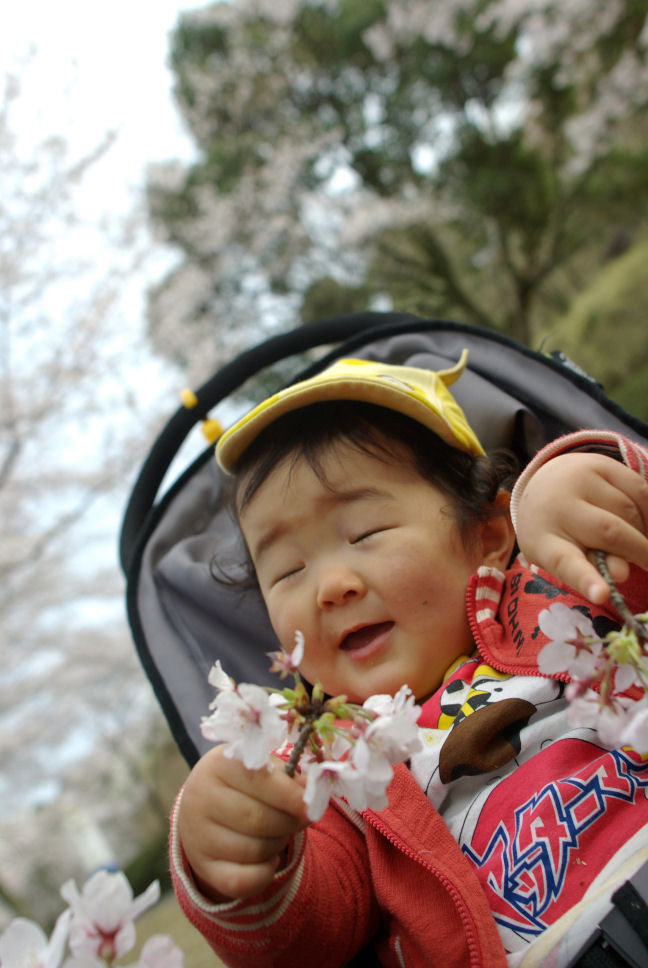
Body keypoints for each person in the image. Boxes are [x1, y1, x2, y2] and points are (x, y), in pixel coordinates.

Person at [169, 354, 648, 968]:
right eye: (287, 570)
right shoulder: (328, 773)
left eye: (365, 531)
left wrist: (573, 488)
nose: (330, 586)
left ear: (490, 533)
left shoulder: (551, 591)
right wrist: (237, 853)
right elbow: (310, 935)